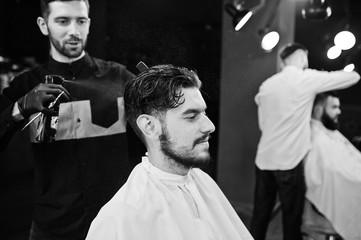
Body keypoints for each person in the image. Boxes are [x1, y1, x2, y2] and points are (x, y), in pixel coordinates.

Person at [0, 0, 135, 239]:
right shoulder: (26, 84)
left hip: (115, 222)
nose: (74, 30)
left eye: (80, 21)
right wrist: (20, 107)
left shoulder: (119, 77)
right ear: (44, 25)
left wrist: (178, 90)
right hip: (52, 227)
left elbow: (159, 118)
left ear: (89, 24)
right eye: (63, 21)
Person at [85, 64, 254, 240]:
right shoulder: (120, 218)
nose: (209, 126)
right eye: (191, 116)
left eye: (204, 113)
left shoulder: (202, 182)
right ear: (150, 126)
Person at [251, 42, 360, 240]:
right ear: (302, 57)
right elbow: (352, 77)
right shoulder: (305, 78)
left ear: (282, 61)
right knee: (291, 221)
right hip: (289, 163)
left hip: (264, 159)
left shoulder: (267, 85)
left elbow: (263, 124)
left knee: (260, 216)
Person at [304, 91, 361, 240]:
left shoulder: (329, 133)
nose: (339, 111)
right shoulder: (317, 139)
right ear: (318, 109)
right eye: (334, 107)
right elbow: (324, 172)